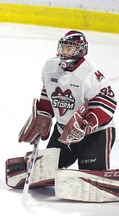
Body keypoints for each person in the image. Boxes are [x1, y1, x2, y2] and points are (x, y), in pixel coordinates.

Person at [6, 31, 117, 200]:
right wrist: (43, 115)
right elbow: (48, 94)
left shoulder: (90, 73)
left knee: (90, 174)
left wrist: (88, 124)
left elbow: (107, 102)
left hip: (95, 134)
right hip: (63, 132)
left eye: (69, 48)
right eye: (63, 48)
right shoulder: (50, 67)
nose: (64, 52)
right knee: (48, 169)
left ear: (80, 50)